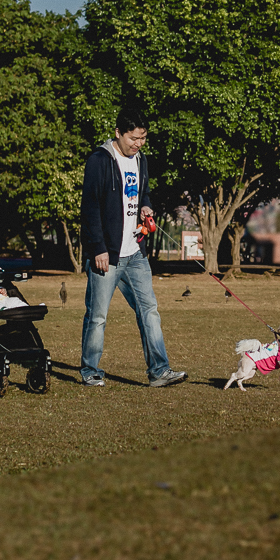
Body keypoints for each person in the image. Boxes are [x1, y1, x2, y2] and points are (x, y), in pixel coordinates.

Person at [79, 109, 186, 388]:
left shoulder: (140, 160)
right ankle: (90, 370)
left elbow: (143, 192)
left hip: (135, 253)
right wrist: (98, 248)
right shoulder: (99, 160)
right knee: (98, 316)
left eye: (143, 138)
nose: (138, 144)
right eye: (133, 138)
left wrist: (145, 205)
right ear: (118, 133)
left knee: (149, 310)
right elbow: (89, 209)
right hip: (107, 255)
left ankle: (159, 371)